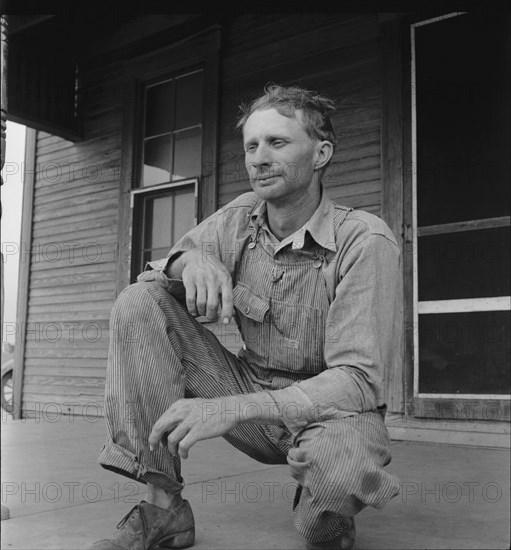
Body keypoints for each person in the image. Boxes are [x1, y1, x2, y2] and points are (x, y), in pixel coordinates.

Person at [89, 84, 401, 550]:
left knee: (334, 493)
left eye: (277, 143)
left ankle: (322, 500)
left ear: (321, 153)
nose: (258, 158)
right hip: (250, 397)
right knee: (139, 301)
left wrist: (228, 408)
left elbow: (359, 380)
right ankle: (163, 508)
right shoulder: (239, 219)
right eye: (251, 146)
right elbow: (164, 268)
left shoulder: (364, 241)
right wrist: (190, 262)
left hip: (331, 418)